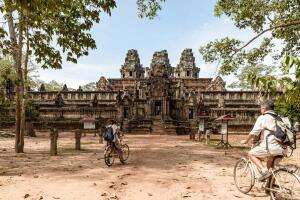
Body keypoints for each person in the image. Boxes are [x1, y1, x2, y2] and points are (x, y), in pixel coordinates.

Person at [241, 100, 285, 181]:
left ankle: (263, 170)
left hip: (271, 147)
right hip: (282, 149)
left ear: (264, 109)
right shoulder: (279, 118)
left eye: (261, 108)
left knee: (251, 154)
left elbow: (254, 132)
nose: (260, 110)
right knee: (271, 166)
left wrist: (246, 141)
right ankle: (269, 186)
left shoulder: (263, 117)